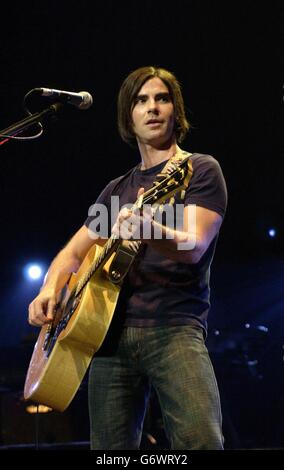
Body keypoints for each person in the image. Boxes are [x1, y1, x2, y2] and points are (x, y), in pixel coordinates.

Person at [28, 66, 227, 450]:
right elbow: (72, 253)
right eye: (141, 100)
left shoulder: (197, 170)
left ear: (175, 111)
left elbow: (195, 246)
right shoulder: (116, 190)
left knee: (201, 442)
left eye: (162, 98)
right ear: (128, 116)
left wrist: (150, 229)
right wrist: (49, 288)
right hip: (105, 336)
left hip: (174, 328)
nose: (152, 108)